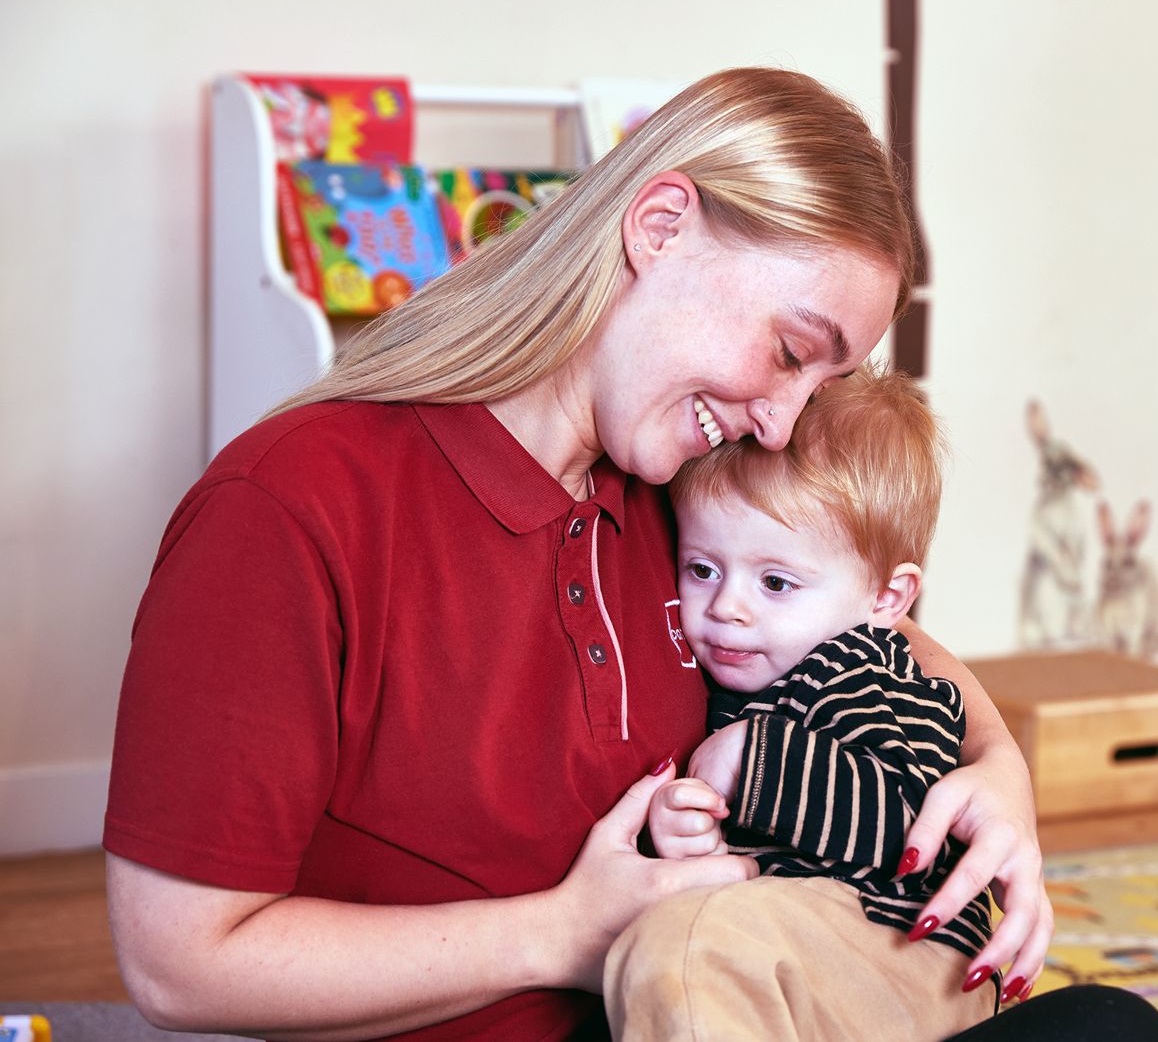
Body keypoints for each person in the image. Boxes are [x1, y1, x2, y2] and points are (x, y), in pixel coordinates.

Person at [101, 67, 1057, 1041]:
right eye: (786, 351)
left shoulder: (684, 491)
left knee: (1099, 1025)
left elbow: (864, 622)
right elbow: (180, 964)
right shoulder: (293, 504)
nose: (780, 424)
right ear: (660, 226)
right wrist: (555, 934)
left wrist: (997, 772)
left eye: (820, 384)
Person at [608, 365, 1000, 1040]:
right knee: (684, 950)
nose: (727, 607)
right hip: (801, 951)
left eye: (776, 582)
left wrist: (756, 766)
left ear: (886, 600)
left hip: (907, 943)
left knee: (688, 949)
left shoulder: (866, 671)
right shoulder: (731, 680)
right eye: (703, 568)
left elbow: (912, 824)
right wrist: (688, 835)